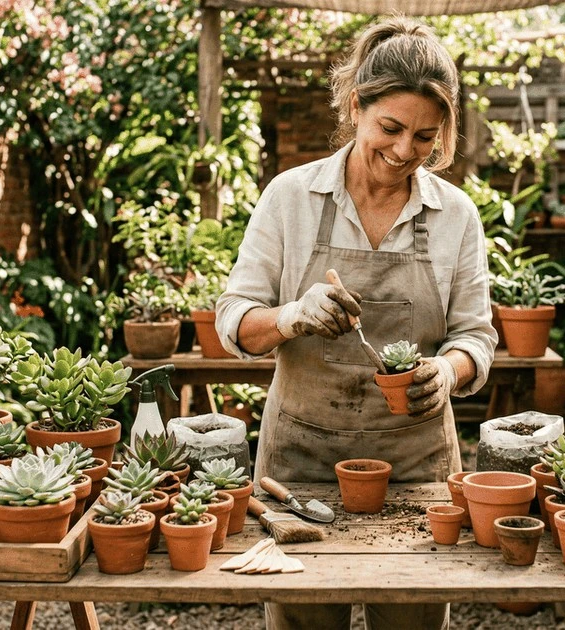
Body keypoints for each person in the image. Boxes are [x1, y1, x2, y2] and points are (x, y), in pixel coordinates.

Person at [215, 16, 496, 630]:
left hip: (417, 468)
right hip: (302, 466)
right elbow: (233, 322)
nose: (403, 152)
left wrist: (448, 371)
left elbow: (476, 336)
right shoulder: (290, 198)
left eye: (425, 137)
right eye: (390, 128)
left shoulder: (455, 216)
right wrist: (291, 316)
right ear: (355, 106)